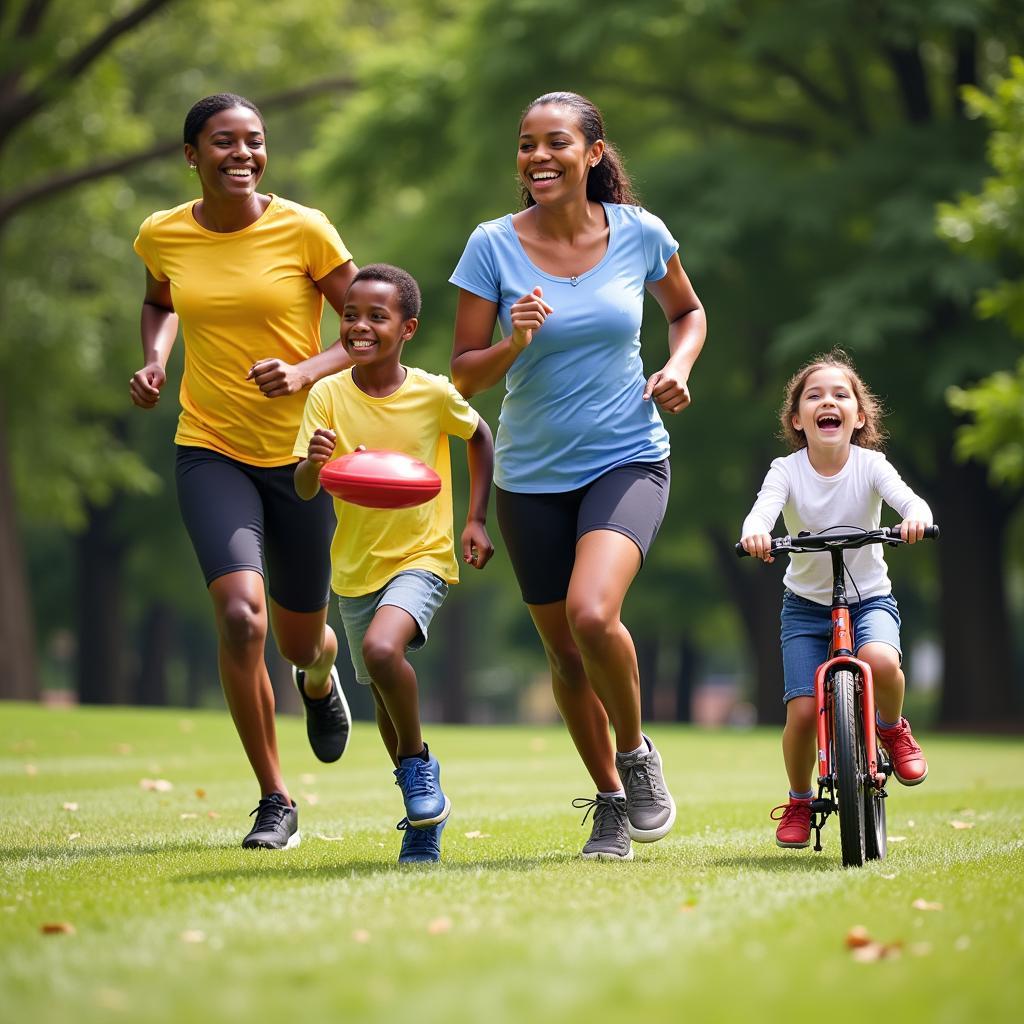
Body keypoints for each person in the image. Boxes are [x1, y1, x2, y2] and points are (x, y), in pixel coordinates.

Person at [449, 91, 707, 861]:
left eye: (555, 142)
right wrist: (513, 341)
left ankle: (635, 755)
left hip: (627, 455)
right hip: (529, 477)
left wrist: (678, 366)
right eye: (526, 144)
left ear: (593, 153)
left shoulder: (639, 233)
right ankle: (609, 799)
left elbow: (687, 313)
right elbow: (461, 375)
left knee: (595, 616)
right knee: (564, 654)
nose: (537, 157)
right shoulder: (491, 245)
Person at [130, 93, 358, 850]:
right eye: (223, 142)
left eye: (253, 142)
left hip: (303, 456)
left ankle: (321, 674)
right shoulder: (163, 233)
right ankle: (275, 799)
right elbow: (159, 300)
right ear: (190, 154)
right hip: (210, 446)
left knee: (299, 641)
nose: (242, 154)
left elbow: (367, 330)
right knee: (239, 617)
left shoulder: (305, 228)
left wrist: (303, 372)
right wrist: (155, 360)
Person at [294, 263, 494, 864]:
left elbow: (481, 435)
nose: (359, 326)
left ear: (407, 327)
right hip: (354, 567)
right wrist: (315, 460)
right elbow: (305, 487)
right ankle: (422, 820)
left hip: (421, 555)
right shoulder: (327, 394)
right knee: (383, 695)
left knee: (385, 652)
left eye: (376, 316)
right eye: (350, 315)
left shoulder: (432, 392)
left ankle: (417, 768)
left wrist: (475, 518)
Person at [739, 349, 932, 851]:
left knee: (880, 663)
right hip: (805, 607)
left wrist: (913, 518)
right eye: (814, 396)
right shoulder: (786, 470)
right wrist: (757, 534)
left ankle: (891, 728)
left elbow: (910, 501)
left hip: (869, 599)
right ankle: (800, 798)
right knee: (802, 713)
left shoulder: (871, 465)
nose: (828, 401)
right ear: (798, 419)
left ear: (859, 416)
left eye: (840, 394)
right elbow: (761, 514)